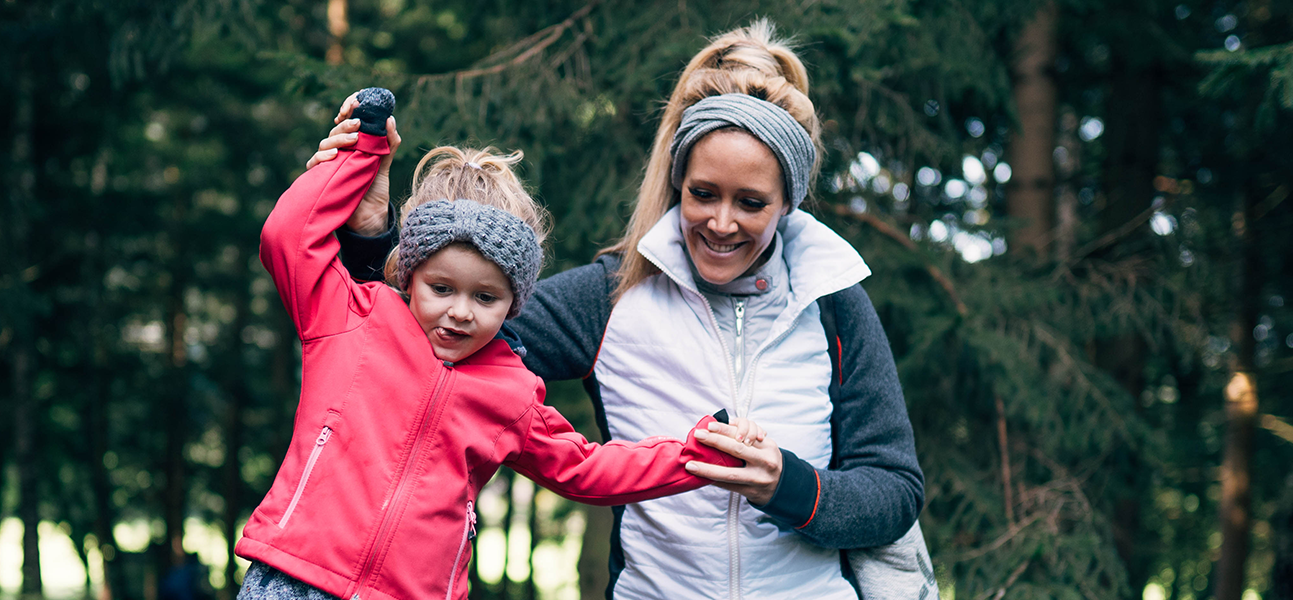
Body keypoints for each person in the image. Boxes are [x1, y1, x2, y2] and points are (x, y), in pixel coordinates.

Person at [330, 23, 933, 599]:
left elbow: (894, 489)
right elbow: (420, 334)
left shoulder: (834, 301)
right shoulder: (610, 295)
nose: (721, 223)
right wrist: (369, 232)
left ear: (788, 202)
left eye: (751, 203)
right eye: (703, 194)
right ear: (677, 182)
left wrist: (789, 486)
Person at [235, 88, 765, 600]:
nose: (461, 311)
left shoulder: (510, 391)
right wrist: (357, 158)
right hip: (295, 580)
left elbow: (588, 468)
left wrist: (697, 451)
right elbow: (287, 237)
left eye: (486, 297)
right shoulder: (354, 318)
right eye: (441, 288)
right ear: (409, 276)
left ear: (514, 303)